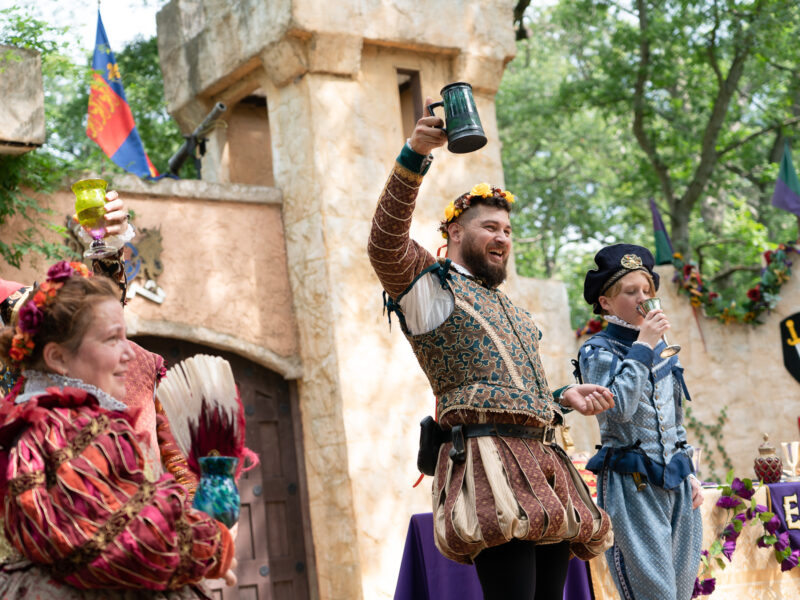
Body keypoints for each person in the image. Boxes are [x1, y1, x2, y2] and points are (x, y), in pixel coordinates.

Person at [368, 103, 614, 599]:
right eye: (489, 228)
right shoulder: (430, 289)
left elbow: (518, 391)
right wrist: (416, 154)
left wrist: (563, 396)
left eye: (506, 230)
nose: (502, 237)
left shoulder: (510, 309)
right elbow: (384, 243)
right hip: (488, 466)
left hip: (545, 464)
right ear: (456, 233)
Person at [0, 261, 235, 598]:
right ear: (57, 358)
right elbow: (121, 540)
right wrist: (213, 546)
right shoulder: (70, 429)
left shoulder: (53, 422)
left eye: (125, 336)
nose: (129, 353)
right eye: (113, 339)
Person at [578, 243, 703, 600]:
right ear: (605, 302)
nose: (643, 298)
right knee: (654, 595)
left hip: (676, 482)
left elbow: (675, 420)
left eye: (647, 290)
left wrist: (689, 470)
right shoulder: (597, 349)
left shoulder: (663, 346)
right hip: (632, 485)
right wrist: (643, 346)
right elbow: (618, 410)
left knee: (680, 594)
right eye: (630, 292)